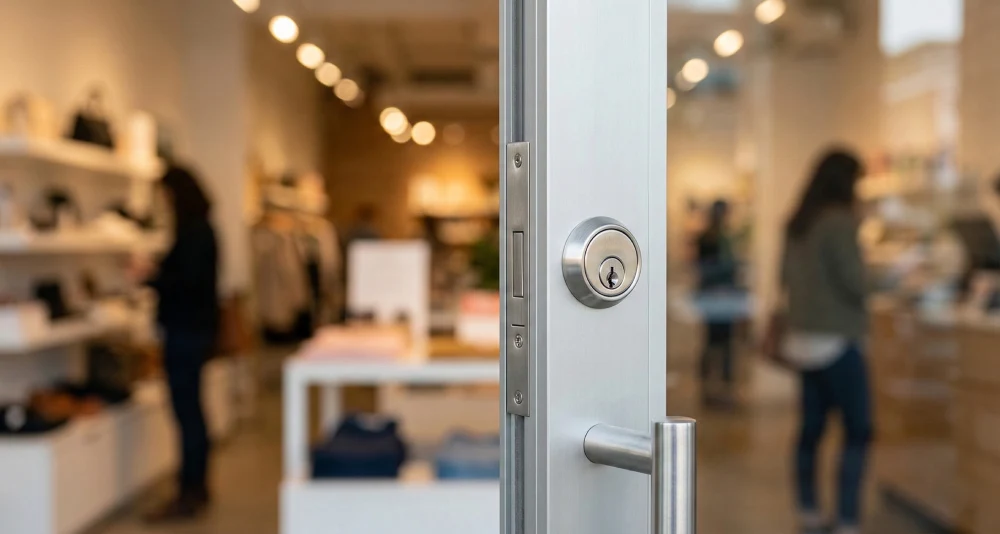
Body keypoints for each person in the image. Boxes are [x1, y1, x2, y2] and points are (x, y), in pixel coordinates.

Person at [781, 149, 872, 534]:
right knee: (858, 429)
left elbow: (782, 278)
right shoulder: (839, 221)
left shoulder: (798, 221)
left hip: (802, 340)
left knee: (811, 430)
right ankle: (848, 518)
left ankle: (809, 510)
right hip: (838, 340)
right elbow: (857, 283)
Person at [139, 166, 220, 522]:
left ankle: (190, 490)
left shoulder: (194, 232)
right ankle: (195, 487)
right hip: (194, 330)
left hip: (186, 331)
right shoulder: (201, 230)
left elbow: (186, 282)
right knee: (191, 411)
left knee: (187, 412)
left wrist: (151, 276)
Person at [695, 199, 739, 407]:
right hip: (716, 294)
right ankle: (712, 388)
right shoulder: (710, 239)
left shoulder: (719, 238)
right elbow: (706, 268)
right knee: (716, 342)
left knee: (721, 342)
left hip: (720, 294)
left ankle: (718, 388)